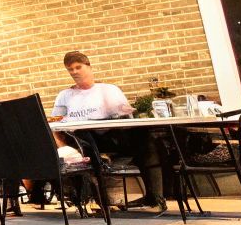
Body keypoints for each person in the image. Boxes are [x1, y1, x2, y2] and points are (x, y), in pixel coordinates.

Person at [50, 51, 165, 210]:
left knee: (146, 137)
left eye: (78, 67)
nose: (74, 72)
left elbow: (126, 117)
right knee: (83, 135)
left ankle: (155, 198)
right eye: (70, 69)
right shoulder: (65, 95)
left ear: (89, 67)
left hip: (111, 135)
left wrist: (123, 111)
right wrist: (63, 147)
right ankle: (100, 201)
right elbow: (55, 125)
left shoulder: (109, 90)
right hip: (81, 140)